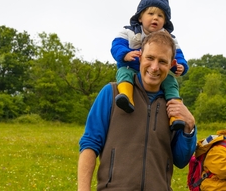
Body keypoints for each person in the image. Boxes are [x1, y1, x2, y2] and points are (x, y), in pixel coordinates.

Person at [78, 31, 197, 191]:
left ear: (171, 64)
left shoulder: (174, 108)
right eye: (150, 58)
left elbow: (181, 160)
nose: (154, 67)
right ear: (140, 57)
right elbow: (90, 144)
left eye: (162, 61)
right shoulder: (112, 93)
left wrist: (189, 125)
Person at [110, 0, 189, 131]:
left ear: (165, 22)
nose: (155, 18)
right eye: (151, 14)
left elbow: (178, 55)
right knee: (123, 73)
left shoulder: (169, 38)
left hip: (157, 74)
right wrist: (125, 55)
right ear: (140, 17)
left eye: (160, 16)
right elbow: (116, 46)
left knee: (171, 83)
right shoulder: (129, 31)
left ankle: (175, 115)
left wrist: (181, 66)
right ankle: (126, 98)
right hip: (132, 68)